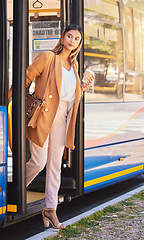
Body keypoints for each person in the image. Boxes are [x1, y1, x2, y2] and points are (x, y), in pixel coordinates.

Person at [8, 24, 94, 229]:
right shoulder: (48, 57)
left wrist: (82, 87)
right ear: (63, 37)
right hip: (43, 115)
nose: (72, 41)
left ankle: (50, 209)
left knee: (55, 166)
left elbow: (70, 98)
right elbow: (25, 78)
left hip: (62, 117)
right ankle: (13, 192)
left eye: (76, 39)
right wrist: (9, 100)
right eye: (69, 36)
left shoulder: (74, 66)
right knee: (38, 162)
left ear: (79, 44)